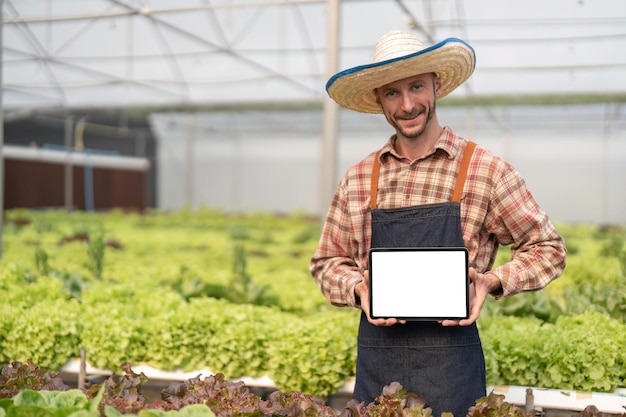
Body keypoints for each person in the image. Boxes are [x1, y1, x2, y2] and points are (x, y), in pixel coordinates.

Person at [309, 30, 567, 417]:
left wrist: (492, 280)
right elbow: (327, 262)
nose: (407, 104)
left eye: (416, 86)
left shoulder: (484, 169)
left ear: (438, 84)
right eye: (392, 93)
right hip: (377, 365)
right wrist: (359, 288)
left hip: (452, 369)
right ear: (379, 99)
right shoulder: (359, 178)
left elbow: (548, 249)